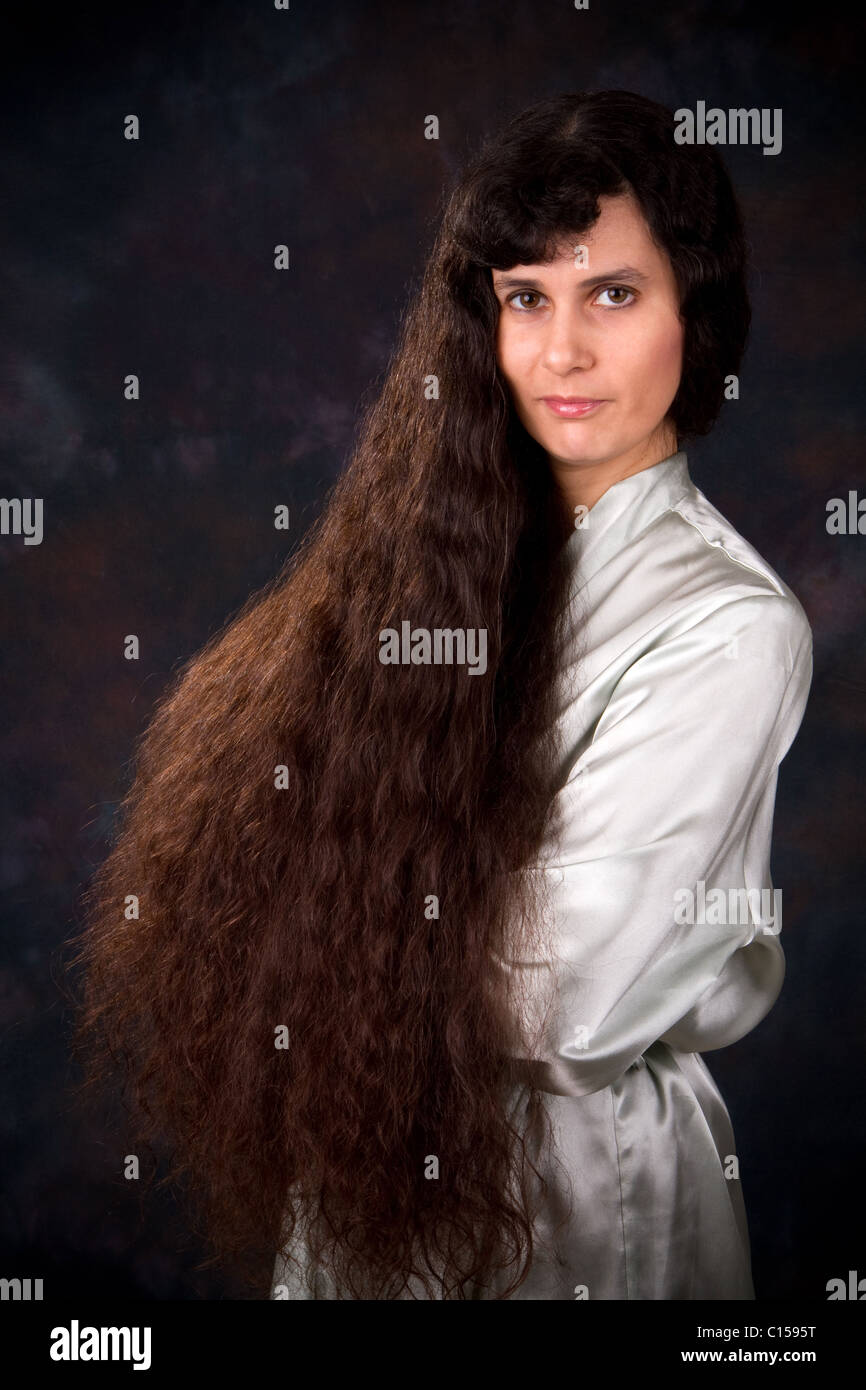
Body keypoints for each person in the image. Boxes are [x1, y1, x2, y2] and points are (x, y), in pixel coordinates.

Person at [70, 90, 812, 1301]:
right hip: (370, 1168)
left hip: (573, 1201)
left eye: (611, 295)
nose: (560, 352)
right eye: (526, 298)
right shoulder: (446, 551)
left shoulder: (727, 625)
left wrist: (336, 907)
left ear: (698, 311)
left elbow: (563, 1000)